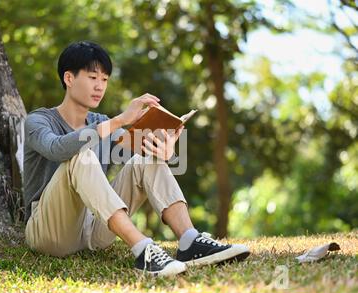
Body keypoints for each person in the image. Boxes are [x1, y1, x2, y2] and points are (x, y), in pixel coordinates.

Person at [23, 41, 250, 276]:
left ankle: (189, 241)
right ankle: (144, 249)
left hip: (93, 230)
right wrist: (120, 120)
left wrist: (165, 149)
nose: (100, 86)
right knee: (81, 156)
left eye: (105, 80)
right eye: (93, 77)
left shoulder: (100, 121)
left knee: (145, 160)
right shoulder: (38, 121)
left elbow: (139, 147)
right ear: (69, 79)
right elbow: (57, 149)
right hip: (50, 233)